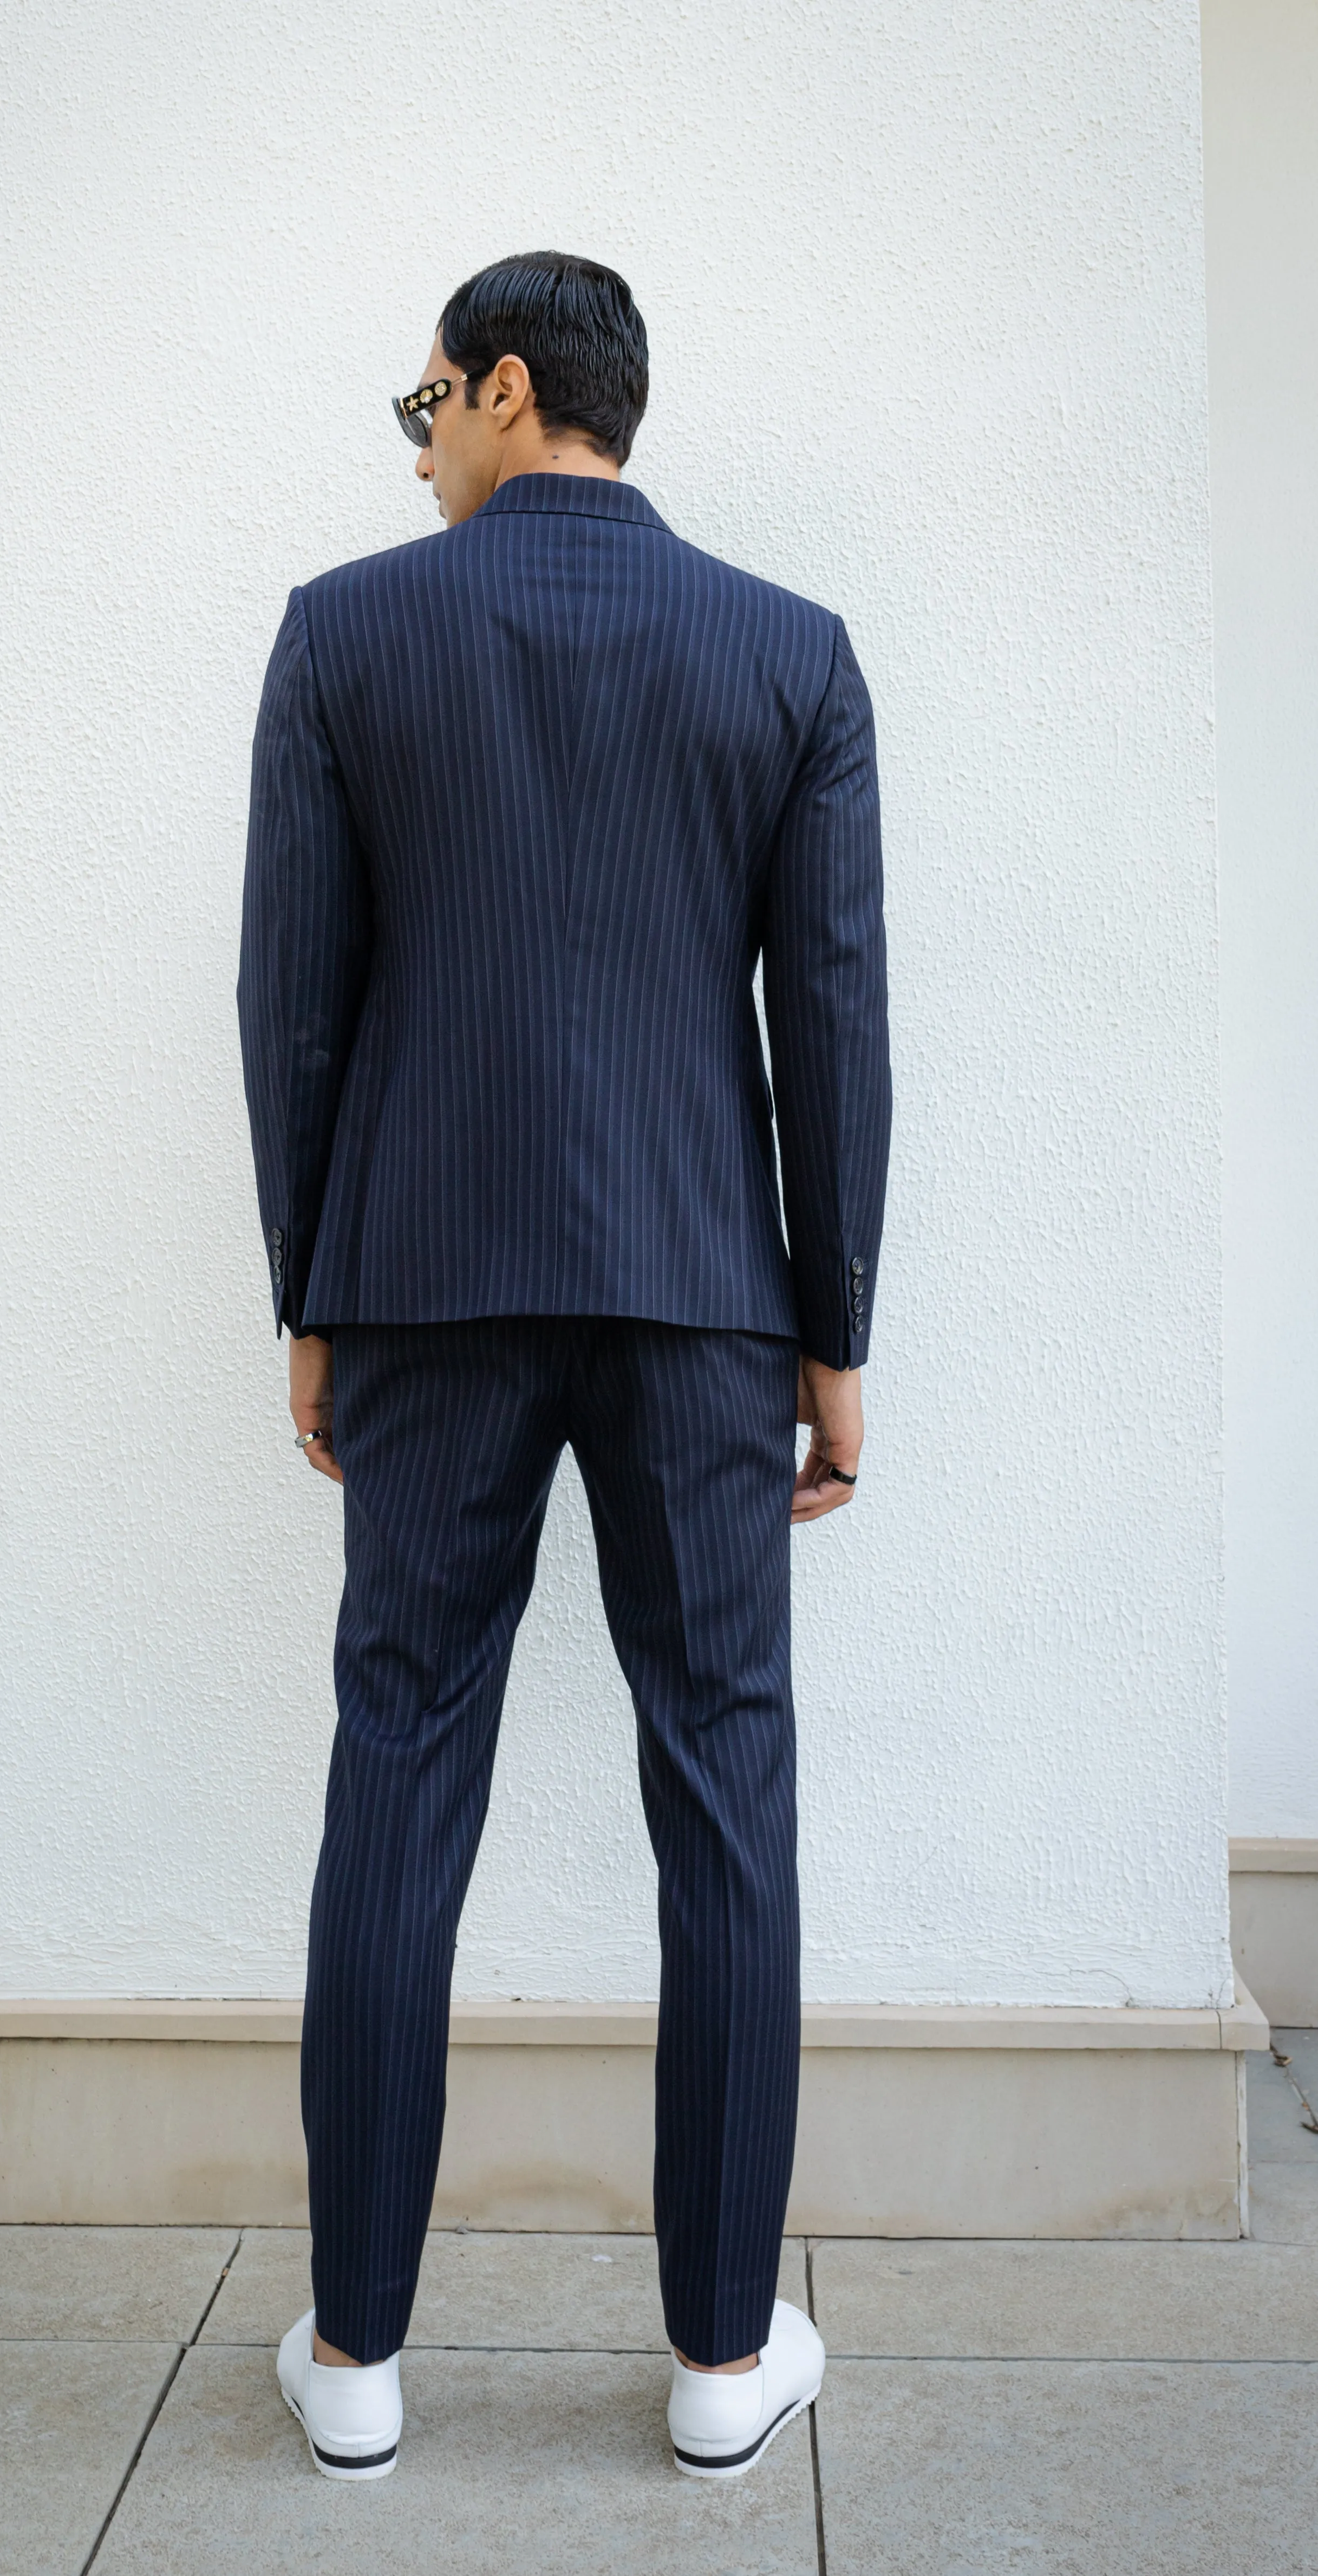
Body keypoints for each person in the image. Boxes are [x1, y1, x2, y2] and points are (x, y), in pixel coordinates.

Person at [236, 250, 890, 2483]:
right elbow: (836, 1034)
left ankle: (358, 2354)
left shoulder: (345, 634)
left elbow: (292, 997)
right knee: (727, 1785)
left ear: (513, 387)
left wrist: (308, 1289)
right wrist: (835, 1336)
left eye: (425, 398)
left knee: (398, 1765)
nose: (414, 441)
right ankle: (723, 2357)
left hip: (420, 1276)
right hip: (707, 1293)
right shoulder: (787, 652)